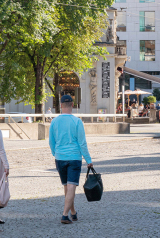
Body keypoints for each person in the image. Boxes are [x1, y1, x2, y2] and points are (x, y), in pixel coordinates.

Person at [49, 94, 93, 225]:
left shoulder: (54, 121)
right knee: (71, 186)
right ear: (73, 105)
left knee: (67, 186)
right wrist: (88, 159)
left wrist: (55, 153)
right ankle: (64, 215)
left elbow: (51, 141)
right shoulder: (77, 121)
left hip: (60, 157)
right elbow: (82, 143)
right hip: (74, 157)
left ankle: (73, 213)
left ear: (61, 105)